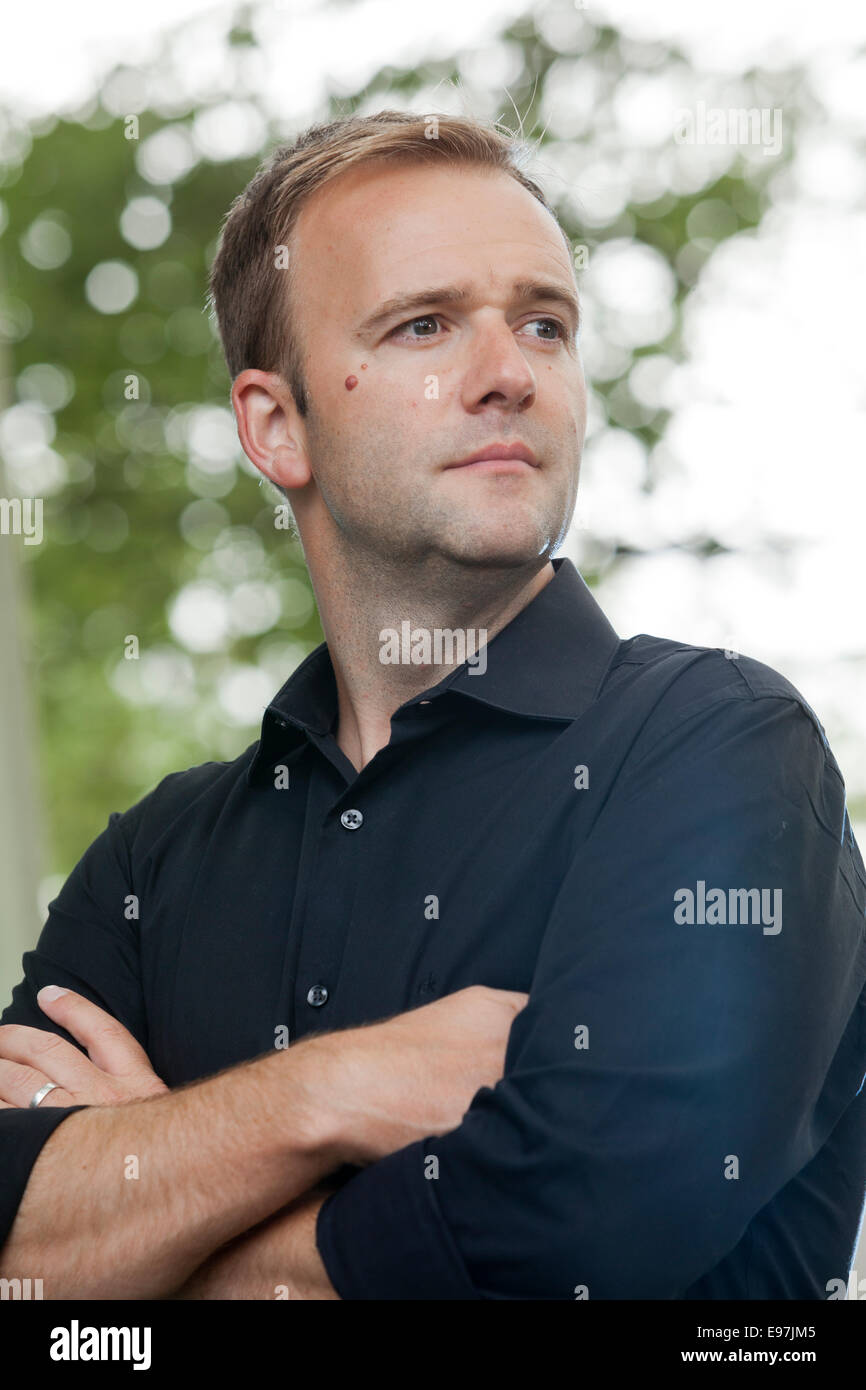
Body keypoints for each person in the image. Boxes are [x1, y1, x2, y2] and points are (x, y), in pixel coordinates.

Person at [1, 109, 864, 1301]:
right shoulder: (152, 862)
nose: (509, 372)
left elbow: (576, 1239)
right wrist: (335, 1092)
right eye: (423, 325)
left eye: (543, 324)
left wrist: (161, 1205)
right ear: (276, 425)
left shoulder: (717, 751)